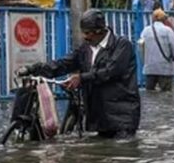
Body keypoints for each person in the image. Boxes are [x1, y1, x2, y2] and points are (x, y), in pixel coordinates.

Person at [17, 9, 141, 138]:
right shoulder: (85, 49)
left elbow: (110, 72)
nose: (85, 37)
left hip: (122, 116)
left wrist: (81, 78)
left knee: (121, 152)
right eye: (84, 33)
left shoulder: (122, 46)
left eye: (88, 33)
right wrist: (34, 69)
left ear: (99, 31)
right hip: (100, 116)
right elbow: (63, 64)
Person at [139, 9, 174, 92]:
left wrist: (144, 61)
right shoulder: (168, 31)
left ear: (153, 18)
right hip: (165, 68)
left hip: (150, 68)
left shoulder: (145, 31)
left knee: (150, 94)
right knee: (166, 95)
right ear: (164, 19)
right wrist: (173, 57)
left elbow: (140, 45)